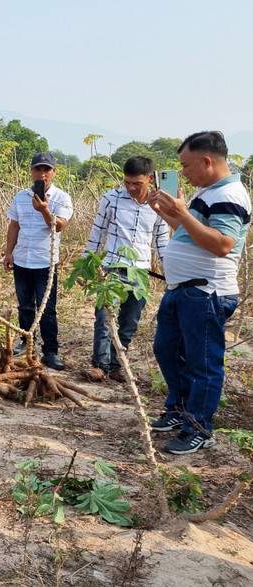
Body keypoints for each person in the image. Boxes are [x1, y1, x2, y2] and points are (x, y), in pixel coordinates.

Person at [148, 131, 251, 454]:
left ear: (207, 161)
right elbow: (193, 234)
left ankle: (199, 427)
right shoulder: (208, 193)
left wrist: (181, 214)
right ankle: (178, 409)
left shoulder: (230, 195)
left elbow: (222, 244)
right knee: (166, 350)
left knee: (201, 363)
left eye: (187, 166)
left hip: (206, 292)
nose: (185, 173)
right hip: (183, 290)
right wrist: (169, 214)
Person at [83, 156, 170, 383]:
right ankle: (99, 365)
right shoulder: (111, 199)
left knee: (130, 320)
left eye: (137, 184)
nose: (131, 188)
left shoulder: (159, 205)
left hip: (140, 271)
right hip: (111, 266)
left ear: (150, 179)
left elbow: (161, 240)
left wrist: (171, 271)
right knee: (104, 317)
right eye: (127, 182)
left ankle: (116, 364)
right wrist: (87, 263)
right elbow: (97, 233)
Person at [3, 152, 74, 370]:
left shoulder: (61, 198)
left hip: (46, 261)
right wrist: (8, 252)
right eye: (38, 169)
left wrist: (44, 209)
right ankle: (26, 342)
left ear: (54, 172)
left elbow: (59, 226)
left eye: (47, 170)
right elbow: (14, 226)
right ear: (32, 171)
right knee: (25, 306)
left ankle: (50, 351)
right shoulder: (21, 196)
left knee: (47, 308)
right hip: (22, 259)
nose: (42, 174)